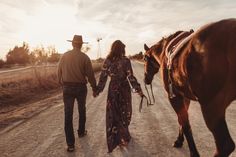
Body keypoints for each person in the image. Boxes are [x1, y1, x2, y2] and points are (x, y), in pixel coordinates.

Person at [94, 40, 144, 153]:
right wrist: (139, 90)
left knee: (114, 113)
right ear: (122, 49)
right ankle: (124, 137)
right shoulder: (126, 61)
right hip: (124, 89)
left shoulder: (108, 61)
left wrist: (98, 90)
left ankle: (118, 138)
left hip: (113, 89)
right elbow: (130, 77)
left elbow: (103, 78)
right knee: (125, 112)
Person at [58, 35, 97, 152]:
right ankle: (81, 132)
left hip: (67, 87)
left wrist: (62, 84)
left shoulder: (64, 56)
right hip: (80, 88)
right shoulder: (85, 57)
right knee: (82, 110)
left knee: (68, 114)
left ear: (72, 44)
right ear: (81, 45)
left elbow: (58, 71)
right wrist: (94, 87)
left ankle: (70, 144)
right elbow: (90, 75)